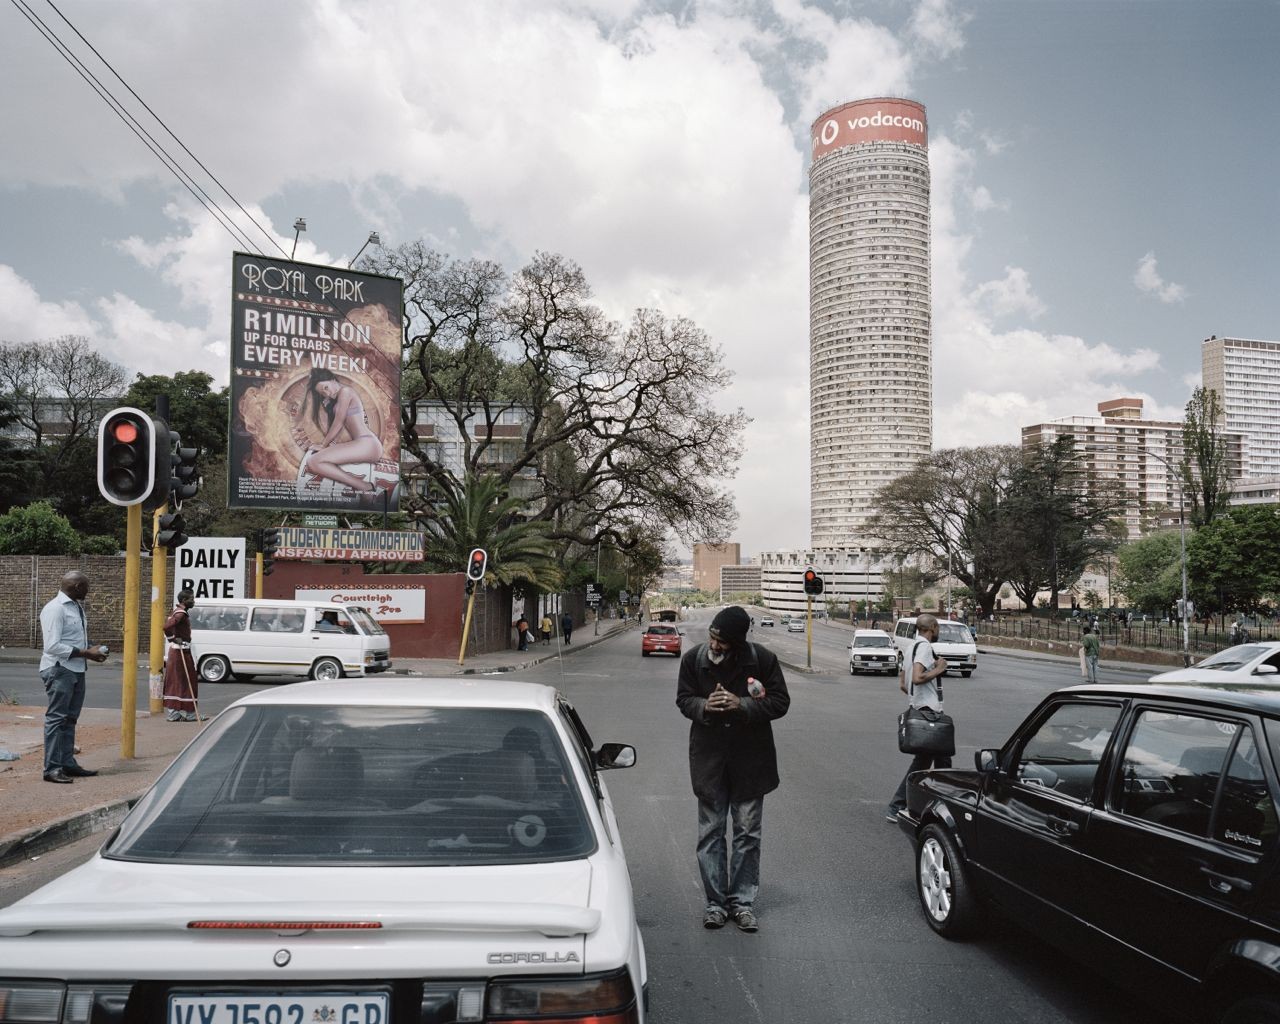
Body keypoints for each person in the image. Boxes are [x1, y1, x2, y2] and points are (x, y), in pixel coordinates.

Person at [676, 606, 790, 933]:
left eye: (722, 641)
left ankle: (742, 903)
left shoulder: (763, 661)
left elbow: (780, 702)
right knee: (710, 833)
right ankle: (715, 903)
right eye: (713, 637)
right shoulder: (693, 660)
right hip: (710, 761)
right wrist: (703, 706)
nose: (714, 645)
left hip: (751, 762)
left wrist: (743, 704)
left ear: (738, 643)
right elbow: (684, 699)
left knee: (747, 834)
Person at [38, 571, 107, 783]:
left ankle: (67, 763)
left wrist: (92, 651)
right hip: (59, 669)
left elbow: (74, 638)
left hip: (76, 669)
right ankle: (52, 768)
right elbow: (52, 646)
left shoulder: (76, 607)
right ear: (76, 586)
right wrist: (86, 653)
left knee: (70, 719)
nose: (89, 590)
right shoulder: (55, 609)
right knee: (57, 719)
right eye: (86, 586)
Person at [887, 613, 951, 821]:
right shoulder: (924, 647)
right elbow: (917, 677)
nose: (938, 630)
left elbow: (904, 684)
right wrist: (940, 668)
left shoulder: (910, 648)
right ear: (932, 627)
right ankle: (897, 806)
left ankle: (936, 805)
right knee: (935, 762)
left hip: (920, 709)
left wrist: (917, 697)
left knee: (938, 761)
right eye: (938, 626)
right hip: (929, 713)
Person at [300, 366, 388, 505]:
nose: (326, 393)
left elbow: (339, 422)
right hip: (361, 444)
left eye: (326, 388)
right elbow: (335, 426)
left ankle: (364, 487)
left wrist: (324, 445)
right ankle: (364, 487)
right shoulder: (338, 399)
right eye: (322, 393)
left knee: (314, 461)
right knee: (314, 461)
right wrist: (329, 408)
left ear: (333, 379)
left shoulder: (346, 391)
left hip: (367, 443)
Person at [162, 590, 202, 722]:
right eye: (191, 599)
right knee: (186, 680)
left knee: (177, 681)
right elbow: (167, 627)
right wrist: (173, 638)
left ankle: (174, 713)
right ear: (184, 600)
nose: (194, 601)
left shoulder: (178, 612)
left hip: (181, 651)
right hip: (180, 652)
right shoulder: (180, 614)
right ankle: (189, 714)